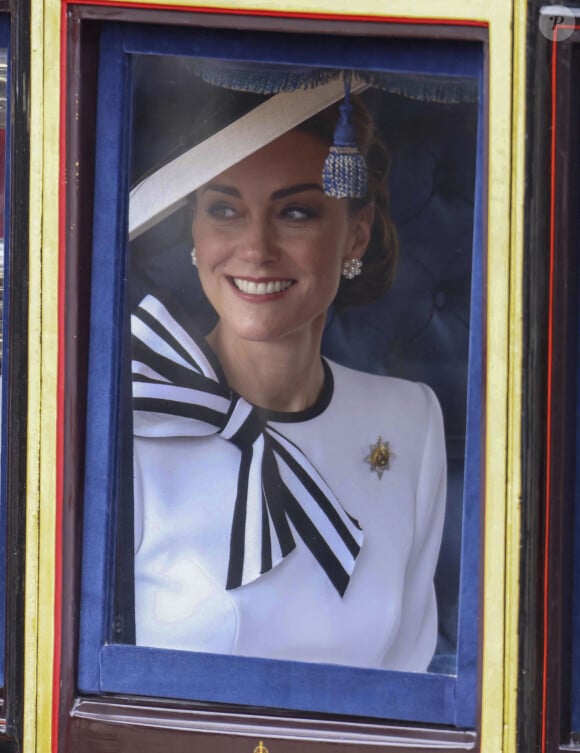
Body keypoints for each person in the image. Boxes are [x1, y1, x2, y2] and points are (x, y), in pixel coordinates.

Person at [130, 84, 447, 673]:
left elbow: (409, 678)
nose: (256, 249)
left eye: (295, 212)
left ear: (357, 232)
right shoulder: (132, 414)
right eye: (224, 210)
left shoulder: (411, 422)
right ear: (195, 237)